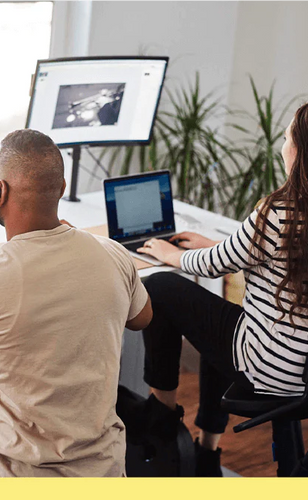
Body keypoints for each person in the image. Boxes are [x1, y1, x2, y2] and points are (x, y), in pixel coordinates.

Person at [0, 129, 152, 477]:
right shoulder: (111, 253)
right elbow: (142, 318)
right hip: (103, 469)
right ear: (62, 189)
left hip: (14, 473)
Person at [136, 102, 308, 476]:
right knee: (219, 322)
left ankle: (162, 419)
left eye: (287, 136)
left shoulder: (279, 210)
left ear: (298, 149)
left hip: (270, 365)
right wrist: (216, 243)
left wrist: (170, 254)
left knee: (162, 285)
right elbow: (265, 253)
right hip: (301, 367)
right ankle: (206, 454)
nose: (281, 143)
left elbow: (216, 264)